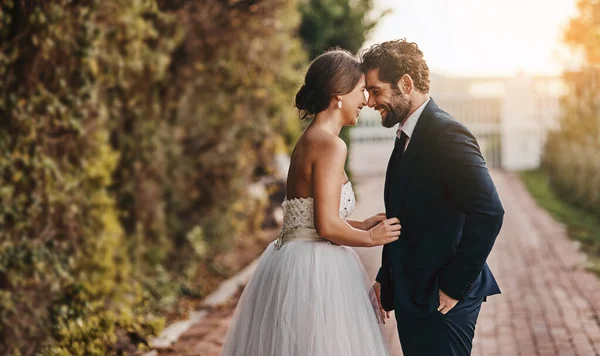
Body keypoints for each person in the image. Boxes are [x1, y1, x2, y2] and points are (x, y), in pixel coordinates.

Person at [220, 49, 400, 356]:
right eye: (361, 92)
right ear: (339, 95)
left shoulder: (309, 139)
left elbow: (308, 217)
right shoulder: (331, 145)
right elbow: (326, 225)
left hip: (291, 259)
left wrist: (358, 224)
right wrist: (371, 238)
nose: (366, 102)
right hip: (316, 270)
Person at [362, 39, 505, 356]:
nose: (369, 102)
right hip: (413, 292)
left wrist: (454, 286)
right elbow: (402, 216)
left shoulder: (446, 134)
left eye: (375, 90)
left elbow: (489, 211)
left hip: (443, 298)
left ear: (406, 83)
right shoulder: (407, 134)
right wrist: (387, 277)